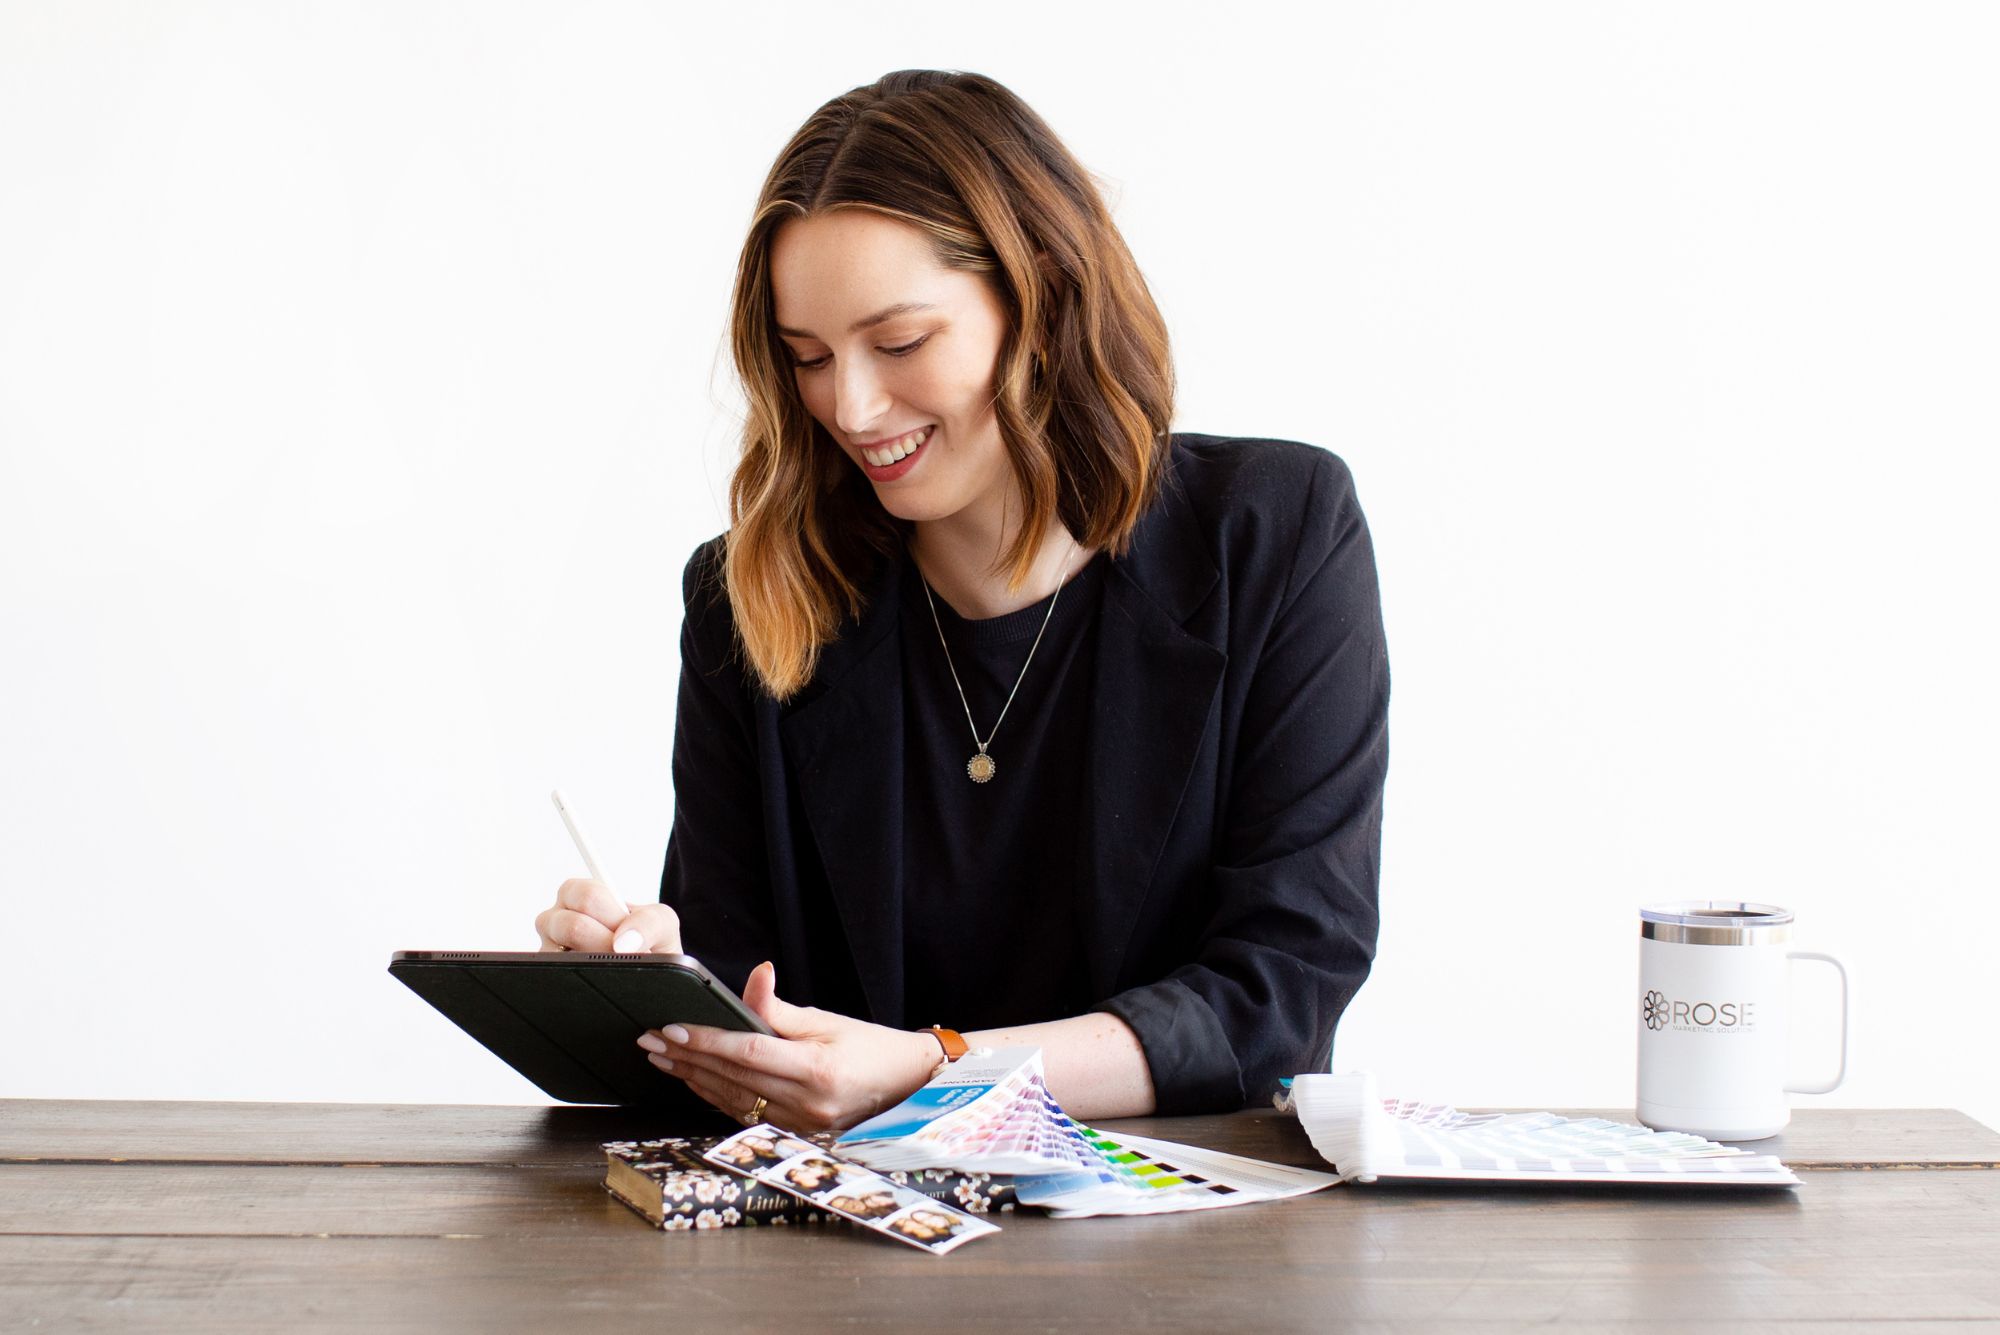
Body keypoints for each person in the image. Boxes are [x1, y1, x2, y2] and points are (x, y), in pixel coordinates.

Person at [532, 69, 1389, 1134]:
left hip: (1183, 1247)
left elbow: (1280, 993)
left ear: (1038, 296)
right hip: (843, 1259)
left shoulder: (1275, 532)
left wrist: (928, 1071)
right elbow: (746, 1000)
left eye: (898, 345)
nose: (849, 406)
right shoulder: (747, 597)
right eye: (807, 358)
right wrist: (654, 992)